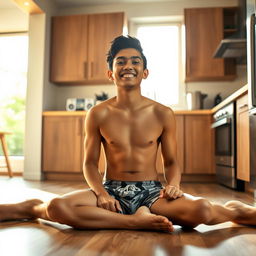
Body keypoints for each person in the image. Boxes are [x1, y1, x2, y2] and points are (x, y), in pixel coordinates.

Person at [0, 35, 256, 232]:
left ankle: (237, 211)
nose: (128, 66)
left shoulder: (162, 113)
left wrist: (175, 186)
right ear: (110, 73)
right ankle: (133, 221)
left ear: (145, 72)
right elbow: (89, 163)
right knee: (57, 206)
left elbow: (171, 162)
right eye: (120, 61)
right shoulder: (98, 113)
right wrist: (100, 193)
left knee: (201, 209)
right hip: (111, 191)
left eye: (135, 61)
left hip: (153, 192)